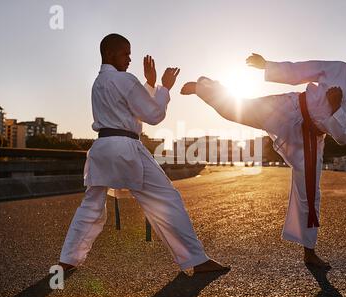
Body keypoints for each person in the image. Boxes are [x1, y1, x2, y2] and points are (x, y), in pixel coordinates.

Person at [180, 43, 346, 268]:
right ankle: (206, 88)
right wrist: (268, 66)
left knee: (310, 193)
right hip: (291, 108)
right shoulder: (339, 69)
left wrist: (337, 109)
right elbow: (304, 70)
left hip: (312, 138)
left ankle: (310, 252)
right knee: (237, 111)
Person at [59, 33, 229, 274]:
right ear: (110, 54)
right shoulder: (124, 79)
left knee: (91, 206)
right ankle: (197, 260)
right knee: (167, 199)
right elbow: (152, 114)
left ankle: (67, 260)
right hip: (125, 148)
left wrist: (150, 84)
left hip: (102, 148)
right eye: (125, 53)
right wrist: (164, 87)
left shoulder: (99, 83)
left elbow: (132, 107)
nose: (129, 59)